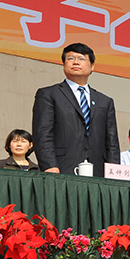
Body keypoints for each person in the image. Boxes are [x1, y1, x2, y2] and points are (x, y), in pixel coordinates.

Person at [32, 43, 120, 177]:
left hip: (98, 173)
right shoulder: (49, 94)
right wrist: (49, 166)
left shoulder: (105, 101)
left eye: (81, 58)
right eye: (70, 58)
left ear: (92, 66)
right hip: (62, 169)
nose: (76, 62)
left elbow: (112, 143)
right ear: (63, 64)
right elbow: (43, 134)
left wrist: (114, 174)